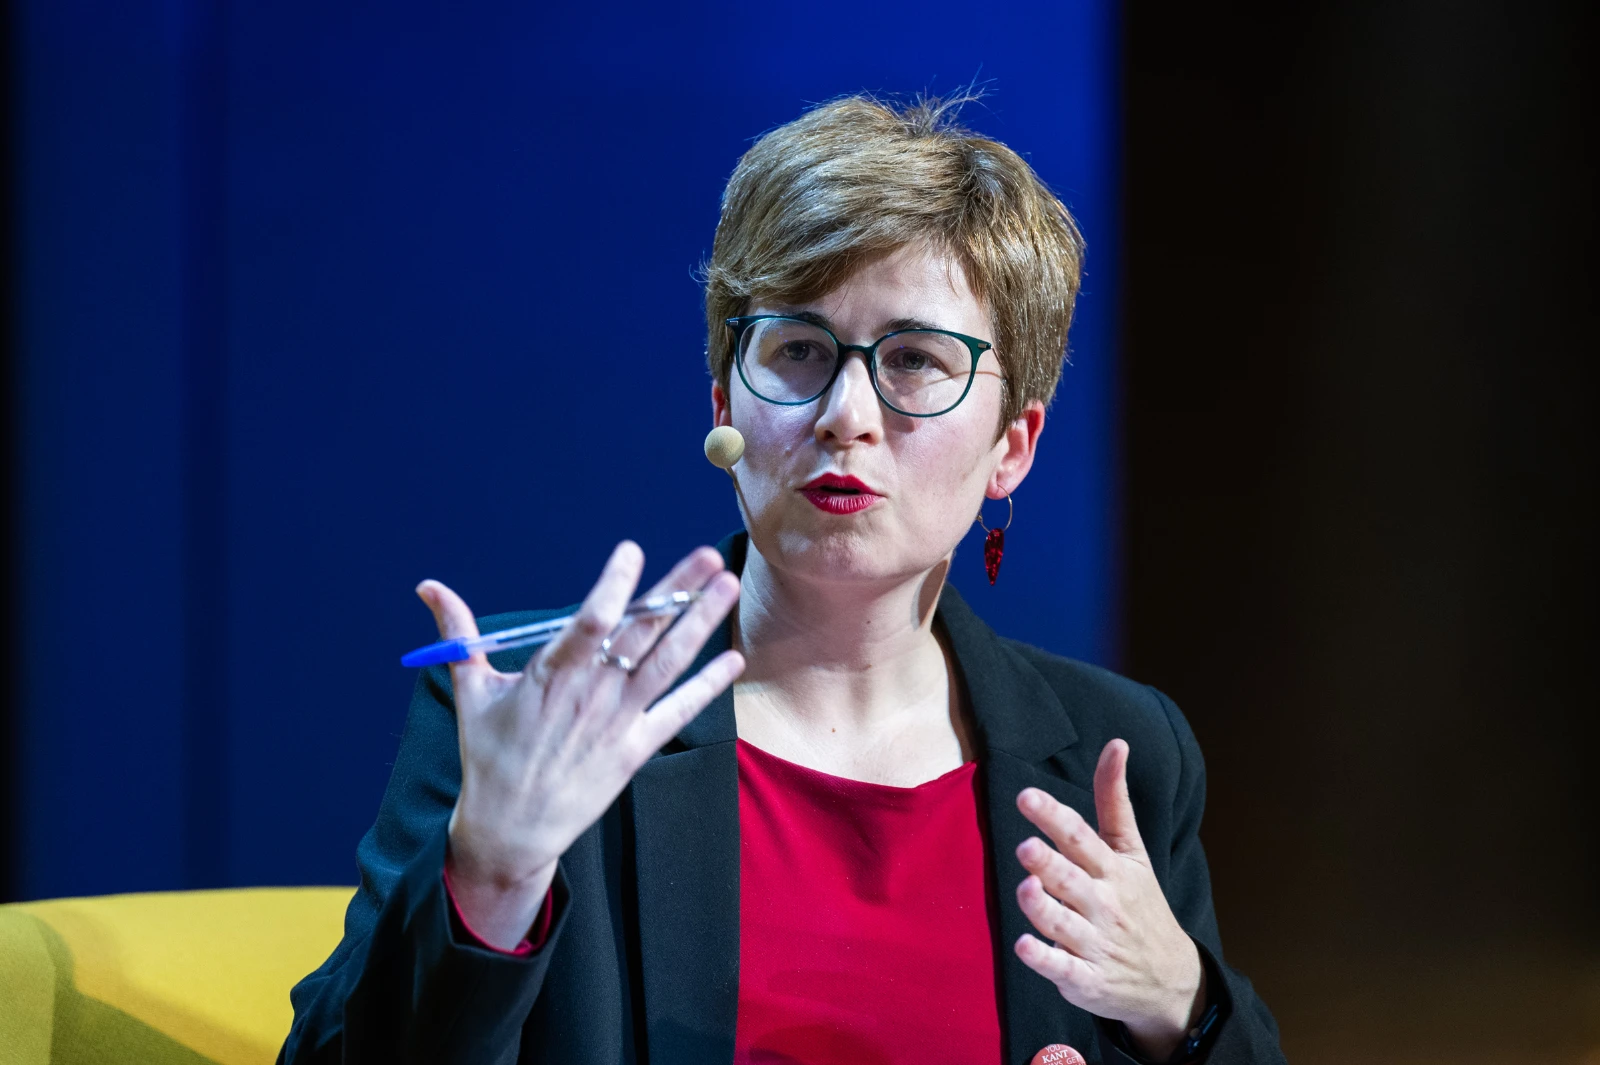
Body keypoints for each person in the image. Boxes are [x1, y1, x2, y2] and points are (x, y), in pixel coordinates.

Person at [278, 95, 1286, 1065]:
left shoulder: (1122, 755)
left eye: (916, 361)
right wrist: (486, 879)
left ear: (1011, 446)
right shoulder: (529, 710)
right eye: (800, 350)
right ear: (724, 399)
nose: (846, 411)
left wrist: (1182, 1009)